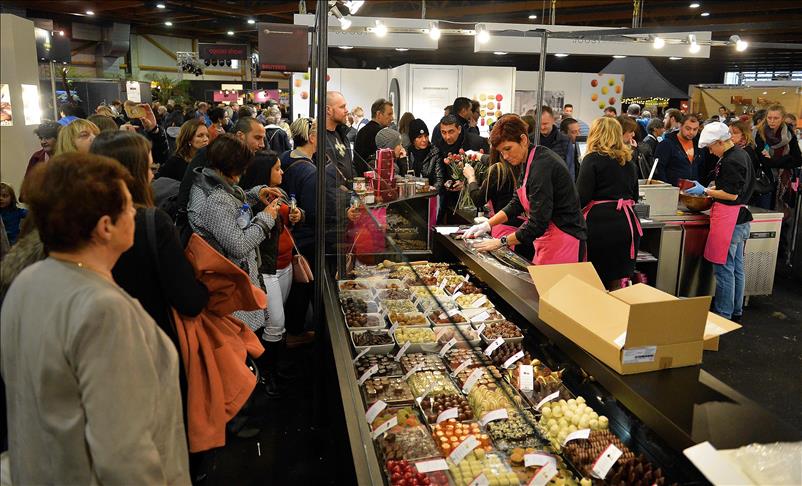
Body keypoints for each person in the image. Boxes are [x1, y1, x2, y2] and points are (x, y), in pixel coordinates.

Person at [1, 152, 190, 484]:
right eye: (129, 206)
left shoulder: (27, 282)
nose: (135, 212)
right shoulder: (103, 310)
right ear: (105, 227)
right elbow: (123, 454)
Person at [90, 129, 209, 347]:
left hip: (97, 341)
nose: (153, 175)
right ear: (133, 173)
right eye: (148, 168)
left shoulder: (79, 222)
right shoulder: (151, 223)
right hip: (150, 342)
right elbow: (189, 301)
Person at [464, 115, 587, 265]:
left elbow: (537, 223)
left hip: (564, 240)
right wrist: (487, 224)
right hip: (548, 240)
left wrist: (501, 242)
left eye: (508, 149)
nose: (505, 156)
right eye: (501, 152)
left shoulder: (542, 166)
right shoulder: (527, 161)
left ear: (523, 140)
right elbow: (517, 202)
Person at [187, 134, 278, 333]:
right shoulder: (215, 199)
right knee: (240, 342)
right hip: (231, 287)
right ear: (230, 165)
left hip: (233, 282)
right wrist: (266, 218)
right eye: (242, 166)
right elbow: (238, 246)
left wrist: (254, 194)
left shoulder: (212, 182)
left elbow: (232, 208)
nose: (244, 171)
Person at [239, 150, 303, 395]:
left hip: (285, 266)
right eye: (277, 168)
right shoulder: (253, 204)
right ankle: (266, 374)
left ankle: (276, 368)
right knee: (275, 322)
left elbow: (292, 213)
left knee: (278, 321)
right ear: (264, 172)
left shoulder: (278, 194)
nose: (282, 172)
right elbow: (246, 239)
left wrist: (297, 214)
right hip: (267, 271)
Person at [689, 122, 755, 320]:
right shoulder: (740, 154)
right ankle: (736, 311)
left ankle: (723, 314)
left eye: (711, 147)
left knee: (724, 270)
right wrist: (715, 184)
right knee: (736, 268)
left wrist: (706, 190)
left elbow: (731, 194)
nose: (710, 152)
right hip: (741, 219)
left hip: (730, 219)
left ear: (719, 142)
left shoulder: (731, 160)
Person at [576, 117, 642, 288]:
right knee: (619, 280)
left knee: (596, 278)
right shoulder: (628, 161)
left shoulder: (591, 159)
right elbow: (634, 196)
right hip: (627, 224)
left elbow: (581, 197)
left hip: (600, 226)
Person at [753, 104, 802, 260]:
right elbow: (763, 162)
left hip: (784, 182)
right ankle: (759, 254)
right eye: (769, 118)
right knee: (764, 218)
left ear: (782, 119)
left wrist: (776, 160)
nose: (772, 121)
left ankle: (776, 255)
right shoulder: (759, 133)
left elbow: (798, 159)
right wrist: (786, 160)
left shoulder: (789, 134)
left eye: (776, 118)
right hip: (765, 183)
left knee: (781, 219)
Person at [654, 114, 705, 186]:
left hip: (693, 192)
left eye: (695, 129)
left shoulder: (699, 144)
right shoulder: (666, 144)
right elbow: (659, 169)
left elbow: (702, 169)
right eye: (688, 128)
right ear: (680, 126)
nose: (691, 132)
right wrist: (666, 188)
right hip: (672, 191)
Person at [406, 118, 445, 192]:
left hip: (429, 195)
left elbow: (439, 179)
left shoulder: (435, 152)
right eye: (419, 137)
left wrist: (433, 189)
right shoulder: (408, 152)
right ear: (413, 139)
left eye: (426, 136)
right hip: (411, 195)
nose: (424, 140)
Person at [354, 98, 394, 168]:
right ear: (378, 114)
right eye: (389, 114)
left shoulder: (362, 131)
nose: (392, 118)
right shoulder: (382, 134)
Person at [325, 91, 356, 179]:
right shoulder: (319, 138)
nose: (346, 110)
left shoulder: (341, 133)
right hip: (334, 191)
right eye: (342, 107)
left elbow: (349, 165)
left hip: (346, 190)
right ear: (328, 110)